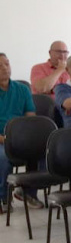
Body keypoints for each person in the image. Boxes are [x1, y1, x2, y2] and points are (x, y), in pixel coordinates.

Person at [0, 53, 37, 209]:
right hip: (1, 140)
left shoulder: (22, 89)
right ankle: (3, 198)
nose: (4, 68)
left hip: (19, 137)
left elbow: (30, 117)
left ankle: (28, 193)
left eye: (7, 64)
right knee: (3, 157)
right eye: (0, 66)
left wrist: (25, 138)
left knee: (41, 152)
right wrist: (5, 140)